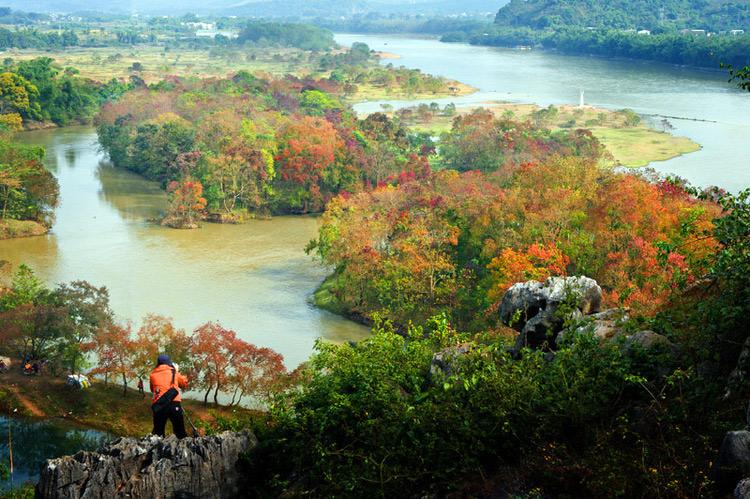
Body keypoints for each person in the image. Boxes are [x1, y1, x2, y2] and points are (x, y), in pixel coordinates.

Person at [149, 354, 189, 439]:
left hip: (159, 405)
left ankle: (158, 450)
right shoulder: (174, 372)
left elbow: (152, 389)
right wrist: (177, 371)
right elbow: (184, 383)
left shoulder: (152, 374)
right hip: (174, 403)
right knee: (180, 431)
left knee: (158, 433)